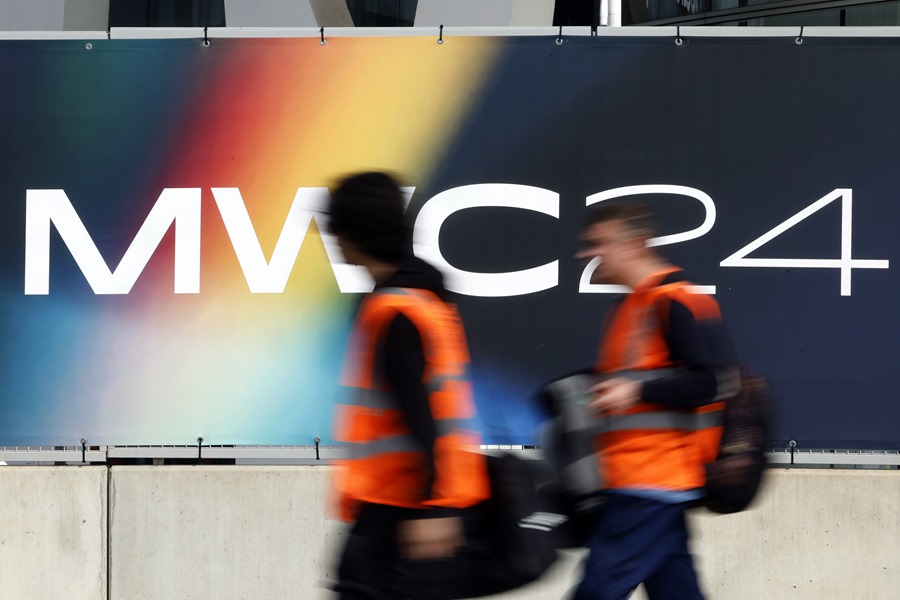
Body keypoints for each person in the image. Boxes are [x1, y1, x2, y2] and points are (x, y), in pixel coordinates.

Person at [327, 172, 490, 600]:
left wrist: (432, 507)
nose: (332, 239)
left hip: (406, 505)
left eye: (335, 228)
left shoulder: (395, 309)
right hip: (410, 500)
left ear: (354, 233)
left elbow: (420, 411)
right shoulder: (426, 299)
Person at [572, 202, 739, 600]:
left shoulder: (676, 300)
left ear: (635, 244)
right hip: (641, 481)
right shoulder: (629, 305)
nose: (587, 254)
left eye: (599, 243)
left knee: (596, 592)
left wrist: (636, 391)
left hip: (651, 483)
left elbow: (714, 382)